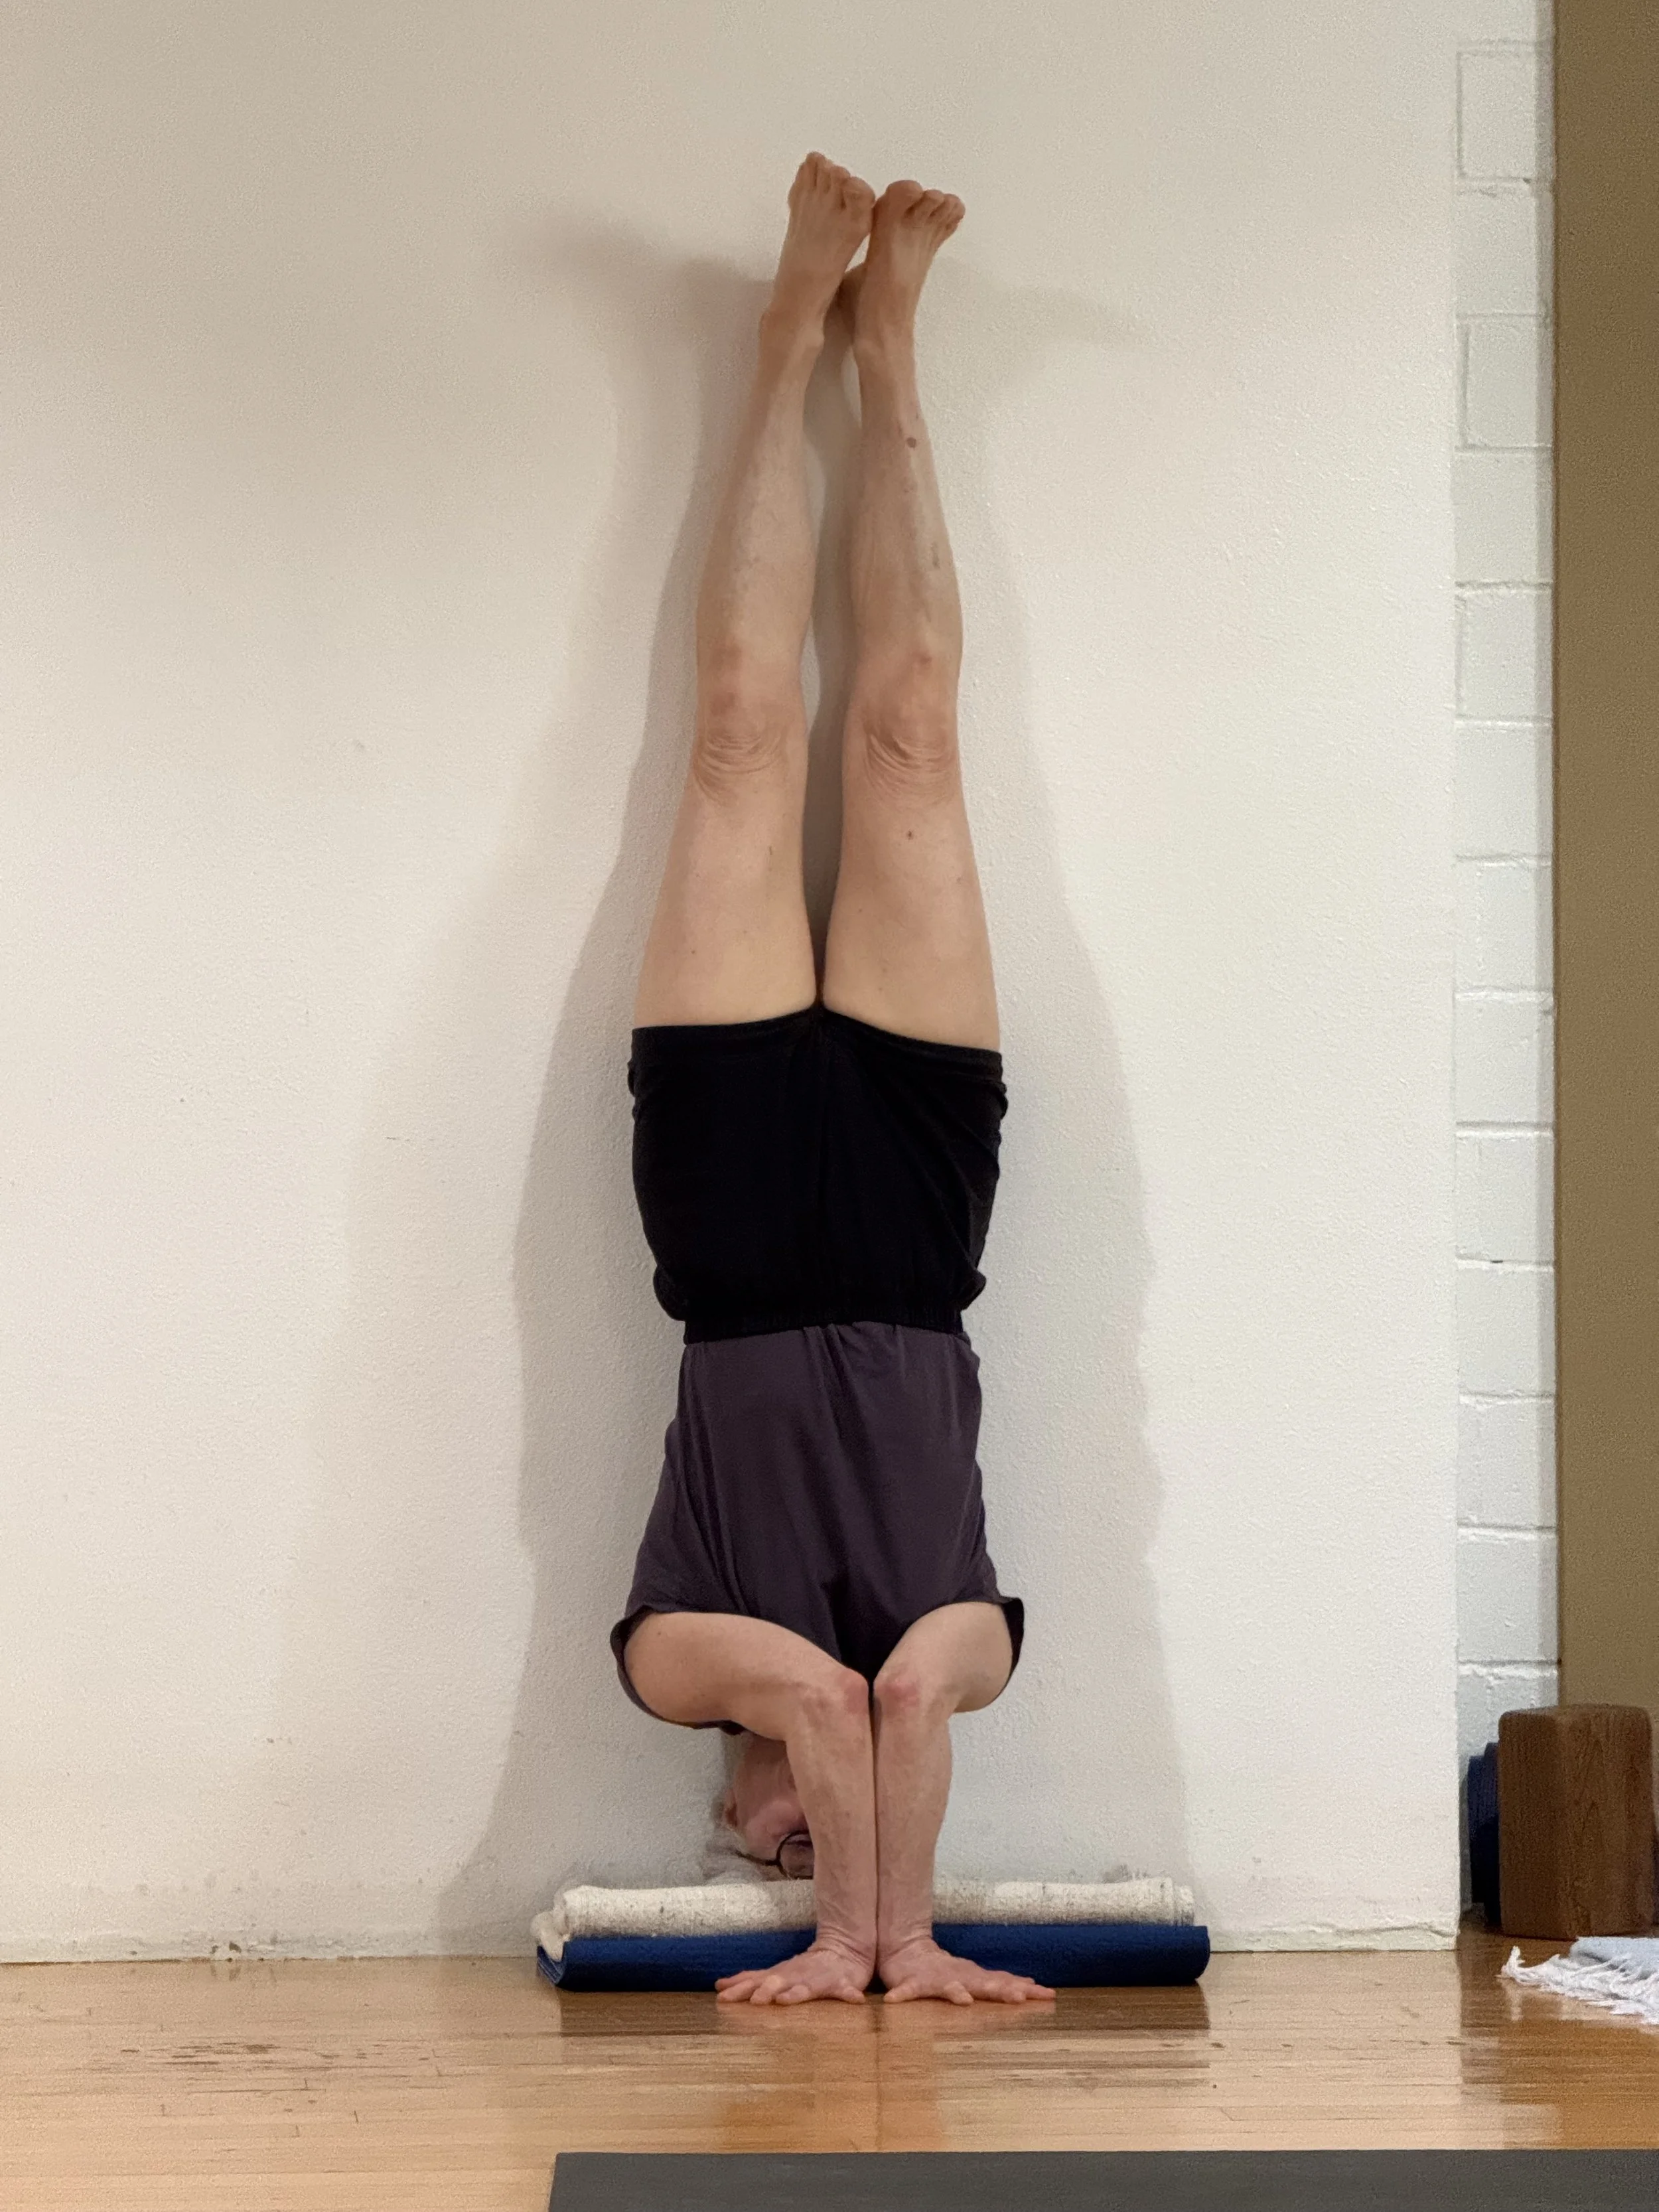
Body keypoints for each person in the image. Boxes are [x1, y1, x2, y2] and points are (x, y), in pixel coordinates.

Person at [609, 155, 1051, 2009]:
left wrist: (856, 1939)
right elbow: (882, 1692)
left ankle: (790, 339)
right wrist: (904, 1933)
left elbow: (812, 1691)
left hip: (728, 1222)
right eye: (824, 1838)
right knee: (909, 729)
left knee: (738, 735)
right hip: (909, 1224)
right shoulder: (964, 1658)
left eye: (779, 1833)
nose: (813, 1806)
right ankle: (894, 354)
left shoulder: (671, 1664)